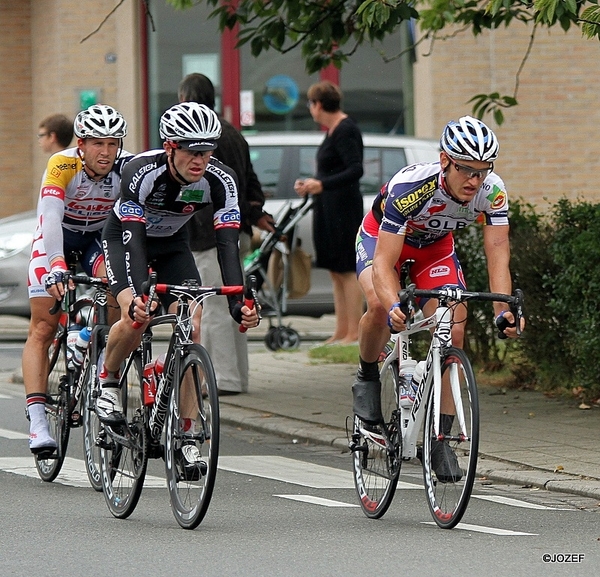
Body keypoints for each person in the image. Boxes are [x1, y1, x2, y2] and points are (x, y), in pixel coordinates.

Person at [353, 115, 524, 481]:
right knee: (382, 306)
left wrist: (502, 309)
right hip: (383, 242)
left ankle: (440, 438)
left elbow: (498, 254)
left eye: (482, 170)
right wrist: (396, 303)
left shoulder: (492, 192)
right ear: (445, 160)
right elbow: (383, 263)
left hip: (435, 250)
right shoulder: (411, 186)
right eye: (466, 170)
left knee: (453, 331)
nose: (474, 180)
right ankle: (367, 376)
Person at [96, 103, 259, 475]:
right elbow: (135, 242)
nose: (200, 159)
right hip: (127, 240)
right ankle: (108, 380)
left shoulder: (221, 180)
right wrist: (139, 295)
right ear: (170, 146)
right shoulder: (142, 171)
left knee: (193, 324)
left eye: (207, 150)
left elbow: (227, 246)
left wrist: (238, 303)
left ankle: (186, 435)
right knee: (134, 315)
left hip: (172, 246)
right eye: (191, 150)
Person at [24, 104, 130, 455]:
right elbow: (50, 218)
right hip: (58, 239)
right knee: (43, 328)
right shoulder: (62, 164)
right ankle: (38, 422)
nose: (106, 152)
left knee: (119, 292)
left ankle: (88, 339)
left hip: (96, 242)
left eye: (113, 144)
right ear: (81, 144)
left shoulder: (127, 168)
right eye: (97, 143)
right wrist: (55, 263)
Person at [178, 73, 274, 394]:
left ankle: (221, 378)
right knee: (236, 300)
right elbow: (252, 182)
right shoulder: (233, 134)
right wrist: (255, 214)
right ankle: (237, 376)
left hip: (210, 235)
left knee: (214, 305)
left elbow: (201, 191)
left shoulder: (200, 139)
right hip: (239, 230)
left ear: (187, 99)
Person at [294, 81, 364, 344]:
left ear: (319, 104)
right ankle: (341, 330)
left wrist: (322, 184)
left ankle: (355, 332)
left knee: (347, 269)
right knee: (335, 270)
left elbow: (355, 169)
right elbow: (332, 169)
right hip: (328, 207)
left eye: (311, 104)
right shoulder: (332, 131)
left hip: (344, 210)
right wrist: (313, 183)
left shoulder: (347, 129)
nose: (311, 109)